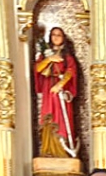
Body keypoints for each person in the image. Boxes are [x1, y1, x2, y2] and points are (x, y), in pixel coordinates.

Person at [33, 26, 80, 158]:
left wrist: (60, 84)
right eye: (53, 35)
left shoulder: (67, 57)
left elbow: (71, 71)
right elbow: (37, 69)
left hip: (61, 91)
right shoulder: (45, 54)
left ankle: (62, 150)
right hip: (49, 89)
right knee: (48, 117)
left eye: (59, 35)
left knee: (61, 119)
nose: (56, 37)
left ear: (63, 38)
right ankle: (48, 149)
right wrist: (49, 59)